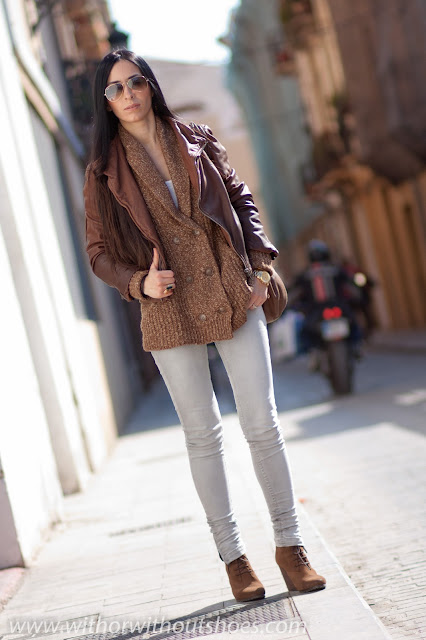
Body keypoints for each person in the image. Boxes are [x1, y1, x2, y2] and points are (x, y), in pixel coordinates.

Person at [84, 49, 326, 602]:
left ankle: (291, 547)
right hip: (168, 305)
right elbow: (97, 253)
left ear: (150, 86)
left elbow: (242, 201)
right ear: (106, 102)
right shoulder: (102, 171)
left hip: (231, 288)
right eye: (115, 89)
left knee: (262, 423)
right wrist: (138, 284)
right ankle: (234, 558)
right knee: (202, 435)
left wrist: (260, 267)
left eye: (135, 82)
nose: (128, 95)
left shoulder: (197, 138)